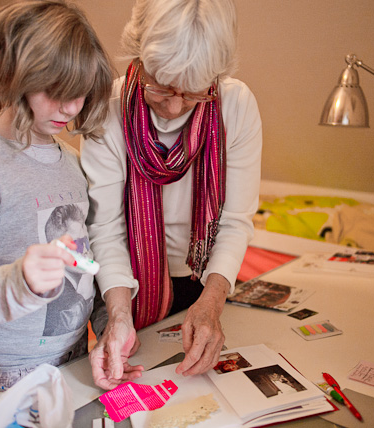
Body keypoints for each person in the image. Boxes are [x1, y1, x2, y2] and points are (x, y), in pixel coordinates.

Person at [0, 0, 141, 388]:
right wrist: (17, 282)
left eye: (82, 94)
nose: (72, 108)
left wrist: (108, 328)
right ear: (17, 75)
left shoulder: (72, 163)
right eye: (57, 92)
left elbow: (83, 266)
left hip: (72, 358)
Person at [82, 0, 262, 389]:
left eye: (194, 94)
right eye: (161, 88)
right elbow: (105, 228)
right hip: (128, 283)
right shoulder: (107, 109)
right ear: (139, 55)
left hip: (205, 278)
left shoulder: (236, 105)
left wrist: (212, 304)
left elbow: (234, 221)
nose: (175, 106)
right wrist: (117, 315)